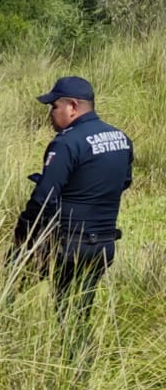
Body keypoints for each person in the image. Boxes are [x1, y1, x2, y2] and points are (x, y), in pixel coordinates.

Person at [13, 76, 133, 343]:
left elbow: (44, 198)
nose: (50, 114)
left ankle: (18, 342)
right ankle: (80, 357)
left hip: (68, 244)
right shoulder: (121, 138)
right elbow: (124, 182)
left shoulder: (66, 143)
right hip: (104, 243)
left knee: (10, 286)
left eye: (54, 106)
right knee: (80, 312)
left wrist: (23, 233)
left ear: (73, 107)